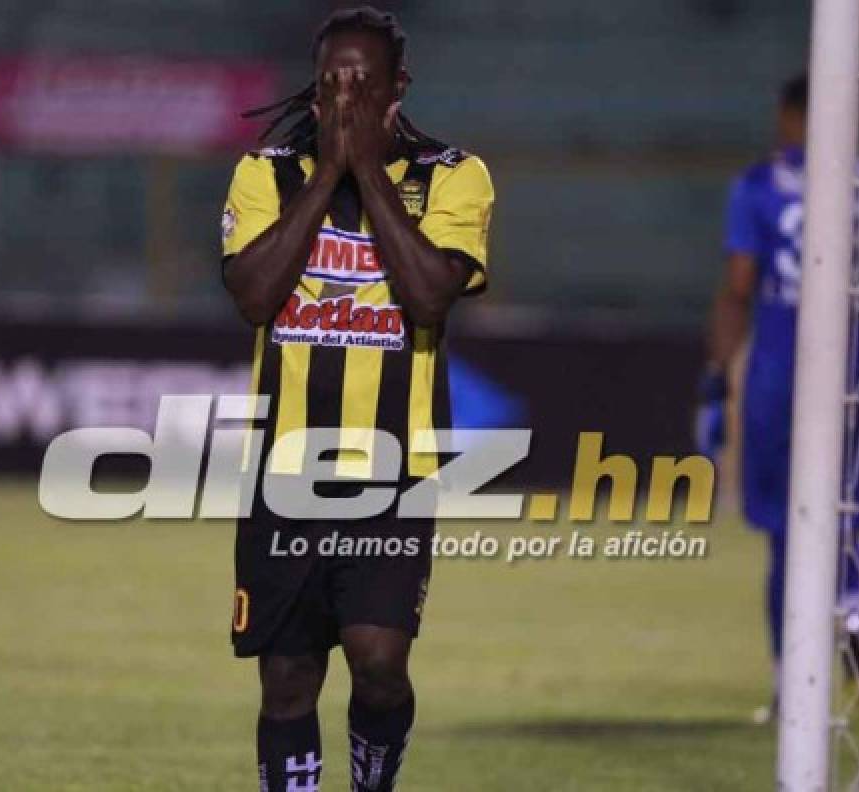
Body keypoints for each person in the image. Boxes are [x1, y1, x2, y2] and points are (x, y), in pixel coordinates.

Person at [221, 7, 493, 790]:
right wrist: (330, 174)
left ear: (396, 89)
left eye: (361, 83)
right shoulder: (265, 172)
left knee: (379, 663)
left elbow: (433, 295)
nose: (343, 97)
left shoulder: (454, 175)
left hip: (392, 474)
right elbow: (253, 292)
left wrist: (367, 172)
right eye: (331, 80)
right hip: (283, 473)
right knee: (287, 678)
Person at [698, 75, 859, 721]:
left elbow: (739, 288)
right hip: (849, 379)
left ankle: (788, 679)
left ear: (790, 116)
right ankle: (849, 617)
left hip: (776, 379)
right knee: (844, 523)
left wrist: (716, 377)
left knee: (784, 535)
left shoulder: (759, 186)